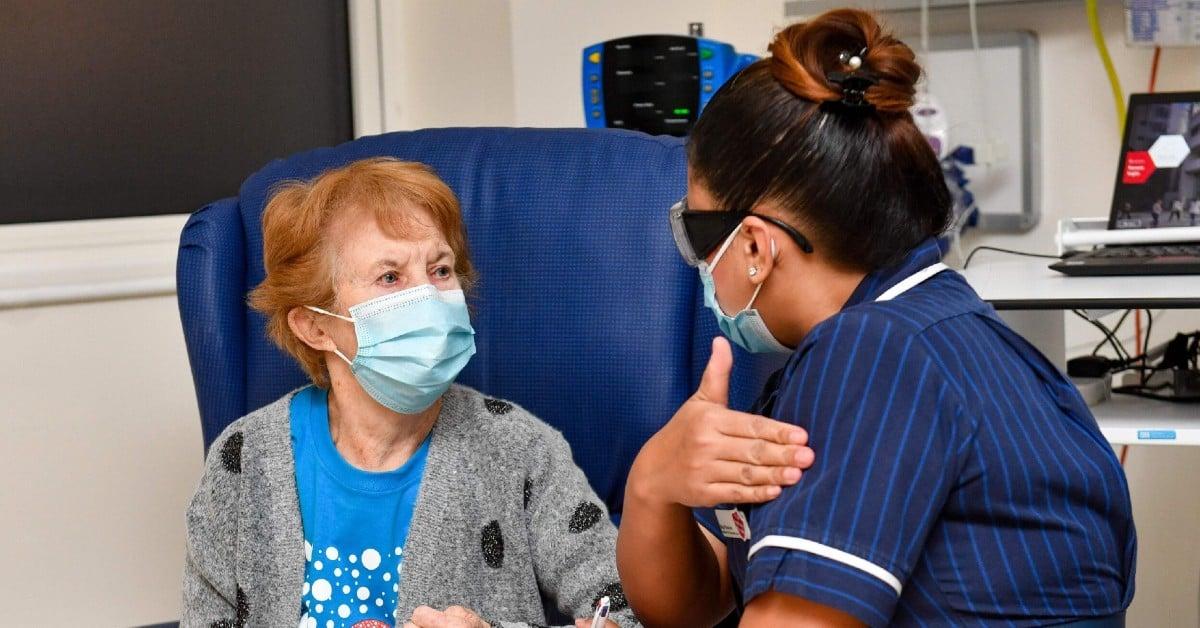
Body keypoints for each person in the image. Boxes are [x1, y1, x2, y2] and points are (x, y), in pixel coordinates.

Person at [616, 9, 1135, 627]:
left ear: (754, 247)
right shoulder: (948, 332)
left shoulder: (873, 353)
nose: (699, 264)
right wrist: (655, 478)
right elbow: (700, 602)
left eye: (698, 231)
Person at [182, 158, 644, 628]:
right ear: (315, 325)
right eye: (391, 277)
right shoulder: (244, 461)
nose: (429, 297)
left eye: (441, 270)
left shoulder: (520, 449)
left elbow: (629, 614)